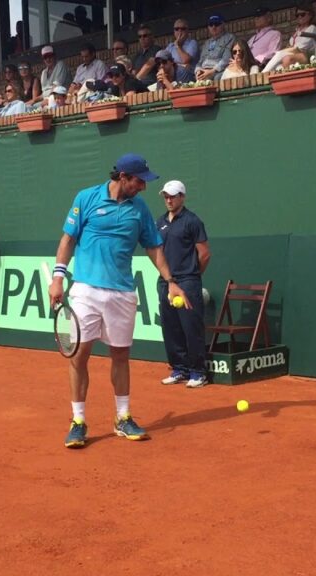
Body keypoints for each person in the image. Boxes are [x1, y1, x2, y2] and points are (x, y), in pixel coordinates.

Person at [48, 153, 189, 449]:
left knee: (121, 356)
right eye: (139, 181)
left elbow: (154, 248)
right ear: (123, 177)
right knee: (79, 355)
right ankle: (78, 421)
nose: (143, 187)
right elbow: (67, 240)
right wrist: (58, 278)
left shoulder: (140, 210)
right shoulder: (86, 198)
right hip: (86, 289)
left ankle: (122, 418)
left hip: (122, 293)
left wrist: (172, 282)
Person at [155, 181, 211, 388]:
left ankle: (198, 372)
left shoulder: (192, 221)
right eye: (165, 196)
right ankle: (179, 369)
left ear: (182, 197)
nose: (168, 200)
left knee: (191, 328)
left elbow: (204, 254)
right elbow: (157, 252)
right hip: (165, 282)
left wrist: (192, 276)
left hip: (187, 282)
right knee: (171, 328)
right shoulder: (159, 222)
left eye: (173, 196)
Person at [262, 4, 316, 72]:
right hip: (295, 53)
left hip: (306, 55)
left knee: (279, 54)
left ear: (310, 15)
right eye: (297, 15)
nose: (299, 17)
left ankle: (263, 74)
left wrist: (286, 50)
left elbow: (300, 48)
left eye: (302, 14)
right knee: (278, 67)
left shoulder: (312, 28)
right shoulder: (297, 30)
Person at [195, 14, 236, 82]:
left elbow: (226, 59)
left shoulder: (230, 38)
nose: (213, 27)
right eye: (211, 24)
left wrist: (212, 71)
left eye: (216, 24)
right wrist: (198, 71)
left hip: (218, 70)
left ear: (223, 25)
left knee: (216, 78)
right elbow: (200, 61)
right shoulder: (207, 43)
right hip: (204, 71)